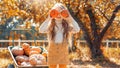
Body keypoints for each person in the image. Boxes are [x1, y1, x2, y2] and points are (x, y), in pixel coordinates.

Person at [39, 3, 80, 68]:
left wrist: (70, 18)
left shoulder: (67, 26)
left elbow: (77, 29)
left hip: (63, 51)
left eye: (61, 12)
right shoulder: (50, 26)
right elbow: (41, 30)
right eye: (56, 12)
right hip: (52, 50)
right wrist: (48, 18)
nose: (58, 14)